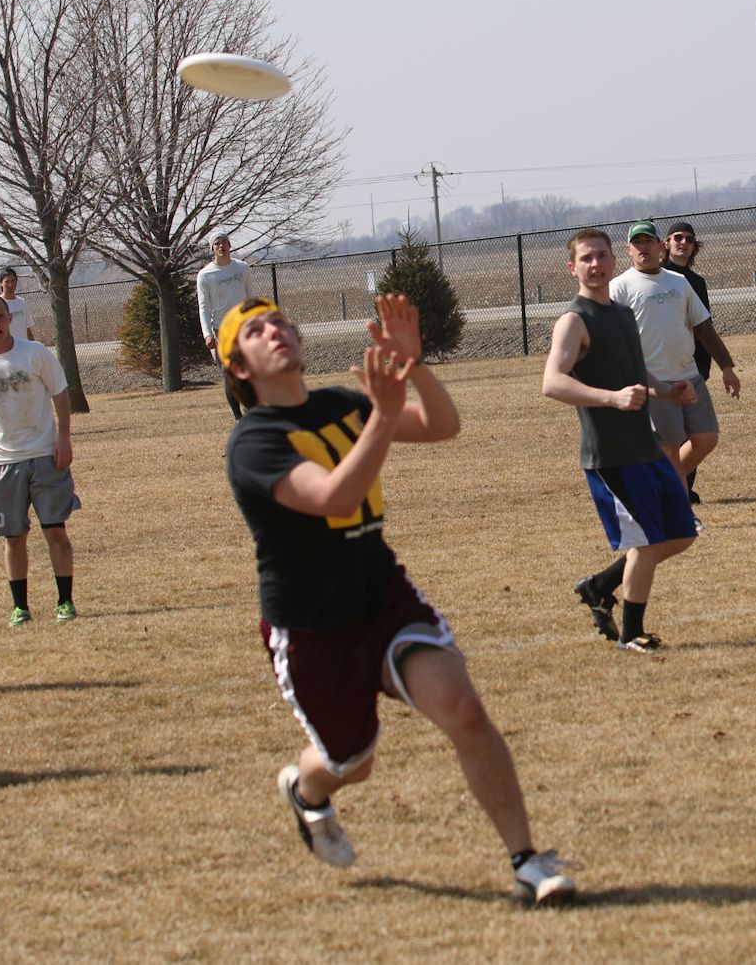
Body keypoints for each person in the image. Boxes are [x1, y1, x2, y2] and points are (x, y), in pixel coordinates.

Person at [220, 293, 575, 905]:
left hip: (383, 598)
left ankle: (528, 862)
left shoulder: (340, 404)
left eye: (280, 321)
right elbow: (332, 496)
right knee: (352, 761)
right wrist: (383, 416)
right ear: (239, 367)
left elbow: (442, 426)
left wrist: (413, 367)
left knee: (463, 708)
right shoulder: (254, 442)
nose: (274, 330)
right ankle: (307, 791)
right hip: (312, 628)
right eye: (255, 331)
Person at [542, 228, 698, 653]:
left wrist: (667, 391)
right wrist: (611, 398)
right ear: (572, 267)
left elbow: (635, 372)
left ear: (614, 261)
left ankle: (599, 585)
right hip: (611, 456)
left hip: (645, 446)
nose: (595, 264)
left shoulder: (623, 314)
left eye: (602, 256)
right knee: (646, 542)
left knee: (681, 533)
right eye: (586, 258)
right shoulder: (574, 321)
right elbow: (552, 382)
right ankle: (631, 634)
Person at [0, 295, 81, 627]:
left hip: (45, 456)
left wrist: (63, 438)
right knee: (13, 538)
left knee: (55, 532)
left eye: (1, 316)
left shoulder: (35, 353)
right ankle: (20, 607)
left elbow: (60, 394)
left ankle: (65, 601)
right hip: (3, 463)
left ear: (10, 318)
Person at [610, 221, 739, 510]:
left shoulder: (679, 282)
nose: (643, 247)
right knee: (668, 448)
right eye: (637, 243)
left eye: (648, 241)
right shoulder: (619, 287)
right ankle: (676, 506)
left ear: (660, 246)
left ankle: (659, 483)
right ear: (629, 249)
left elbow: (703, 327)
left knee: (706, 438)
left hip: (689, 375)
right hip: (653, 383)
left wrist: (727, 366)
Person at [660, 220, 742, 503]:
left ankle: (682, 488)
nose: (683, 242)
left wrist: (719, 366)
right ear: (666, 243)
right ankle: (676, 490)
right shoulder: (658, 277)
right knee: (674, 435)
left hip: (694, 366)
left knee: (694, 433)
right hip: (664, 368)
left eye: (689, 239)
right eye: (677, 237)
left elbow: (704, 327)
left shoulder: (696, 282)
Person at [198, 230, 257, 421]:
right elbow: (204, 307)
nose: (221, 246)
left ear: (230, 245)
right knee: (228, 372)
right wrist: (207, 333)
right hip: (221, 330)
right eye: (217, 243)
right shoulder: (205, 275)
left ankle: (251, 409)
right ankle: (238, 417)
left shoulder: (242, 268)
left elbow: (251, 297)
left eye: (224, 242)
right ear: (212, 249)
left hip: (243, 327)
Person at [0, 266, 36, 342]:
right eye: (7, 281)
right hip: (7, 347)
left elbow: (27, 328)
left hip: (23, 346)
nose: (10, 284)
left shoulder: (22, 302)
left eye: (13, 281)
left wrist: (33, 346)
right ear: (1, 283)